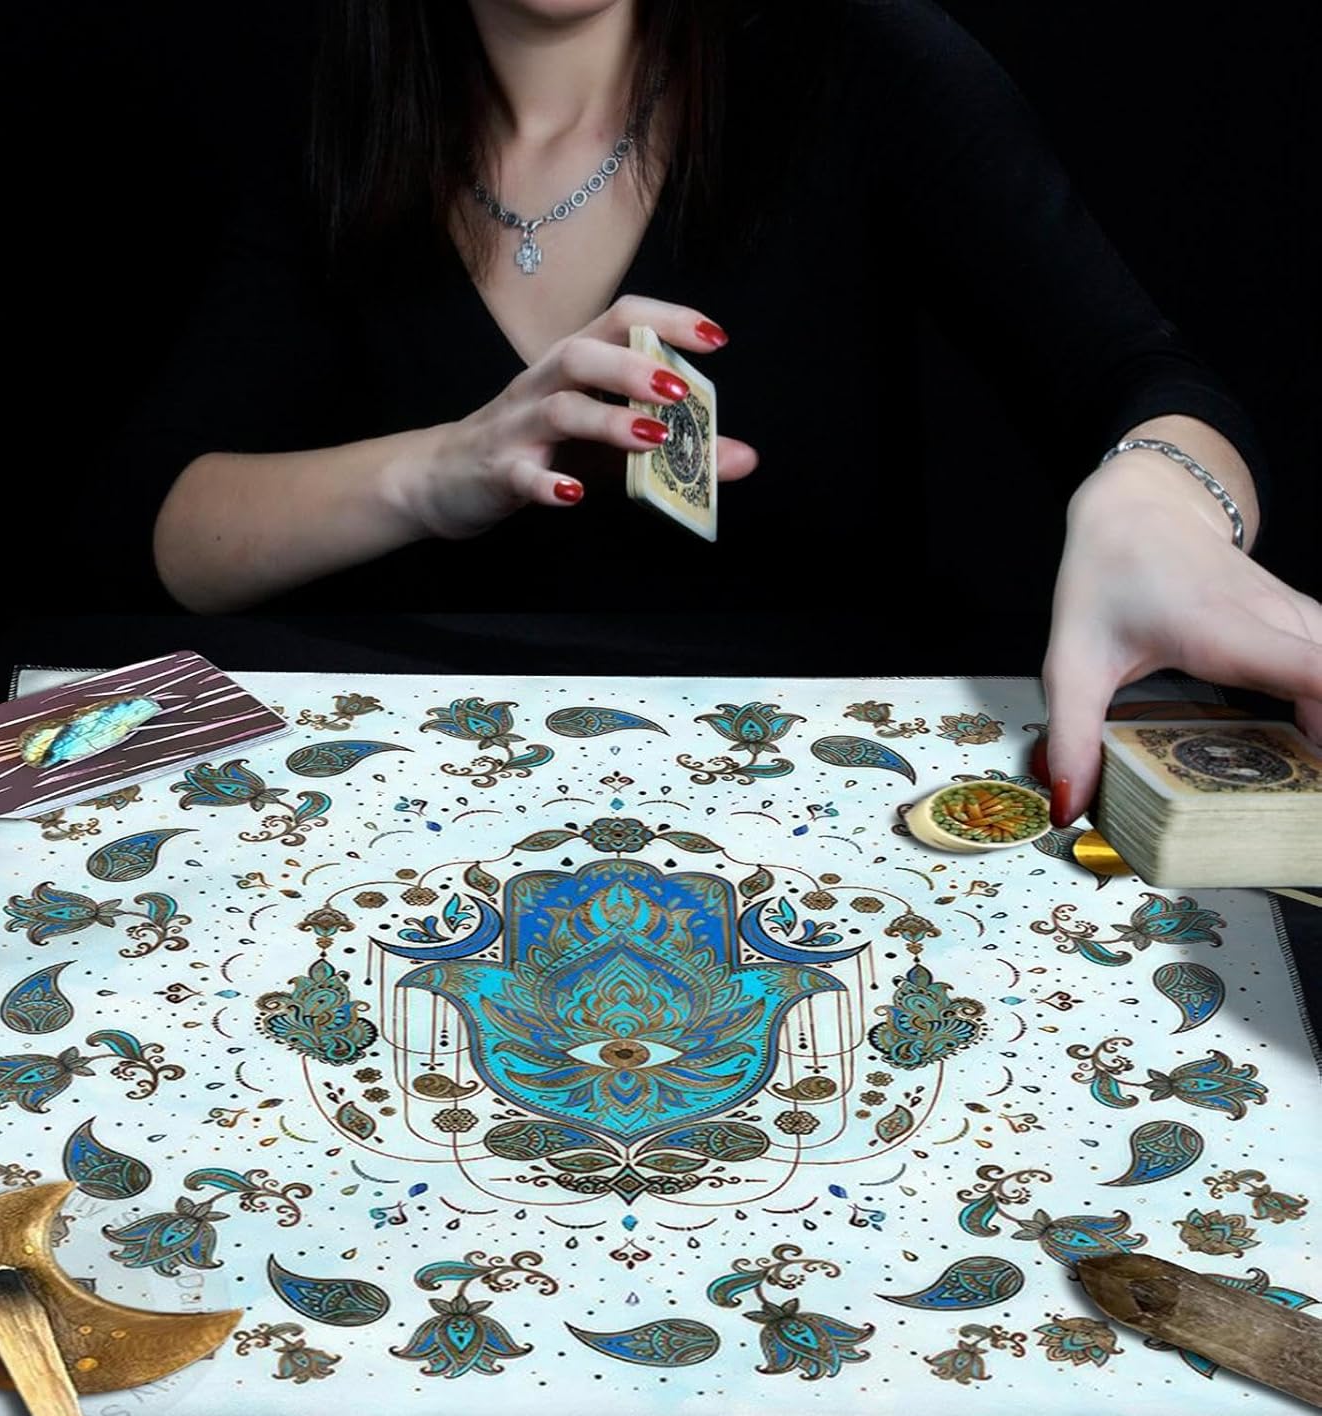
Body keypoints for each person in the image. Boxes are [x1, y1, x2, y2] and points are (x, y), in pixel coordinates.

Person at [119, 0, 1322, 829]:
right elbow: (161, 528)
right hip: (425, 816)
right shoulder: (336, 106)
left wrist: (1158, 505)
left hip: (831, 825)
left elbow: (1146, 377)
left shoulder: (864, 61)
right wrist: (440, 468)